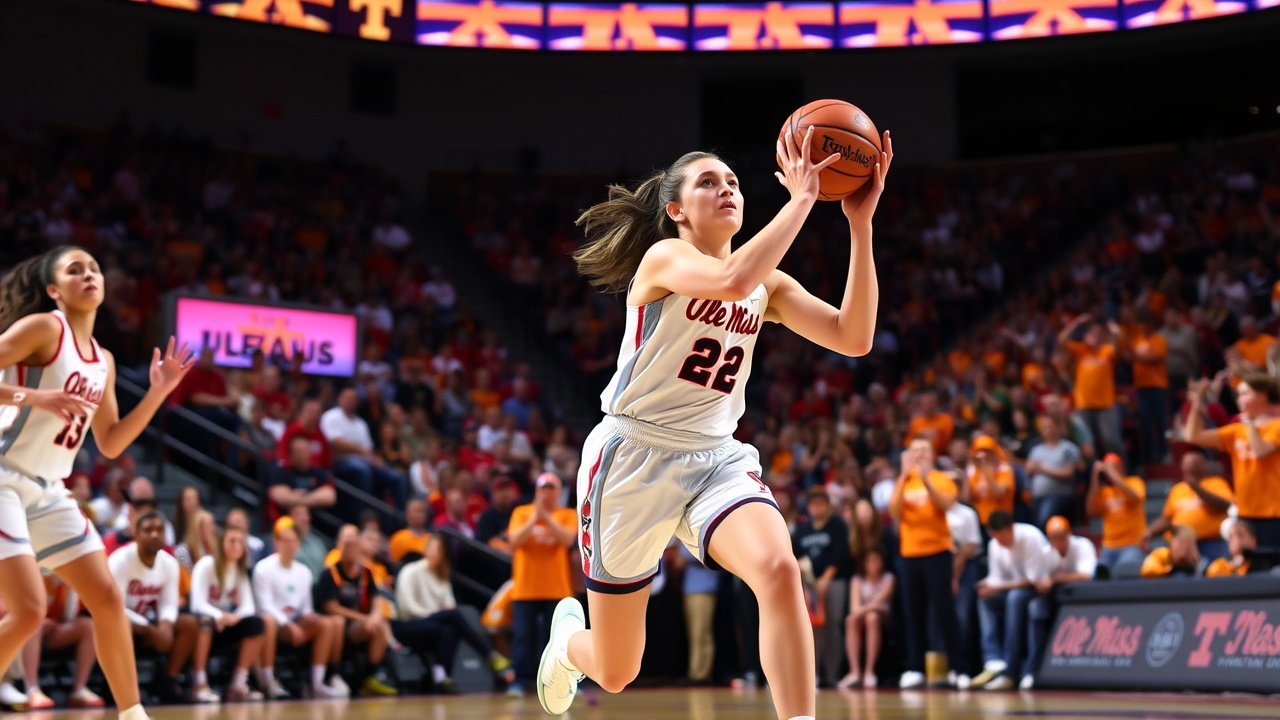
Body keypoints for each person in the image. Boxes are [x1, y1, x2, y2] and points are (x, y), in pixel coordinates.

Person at [533, 130, 890, 719]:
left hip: (715, 457)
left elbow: (854, 337)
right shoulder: (665, 259)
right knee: (618, 671)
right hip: (632, 458)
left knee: (779, 570)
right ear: (676, 210)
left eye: (733, 182)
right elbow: (731, 282)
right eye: (708, 182)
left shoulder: (767, 284)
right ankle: (569, 644)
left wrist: (860, 223)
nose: (726, 189)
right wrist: (804, 198)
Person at [0, 246, 195, 720]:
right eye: (74, 270)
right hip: (3, 477)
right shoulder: (44, 328)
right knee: (29, 609)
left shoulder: (103, 360)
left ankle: (133, 715)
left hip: (49, 488)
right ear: (53, 290)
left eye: (94, 268)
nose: (88, 275)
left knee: (107, 598)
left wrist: (157, 393)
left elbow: (110, 443)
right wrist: (35, 397)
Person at [890, 437, 969, 689]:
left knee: (945, 612)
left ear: (933, 455)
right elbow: (894, 512)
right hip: (910, 554)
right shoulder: (904, 481)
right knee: (913, 613)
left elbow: (947, 504)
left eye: (924, 450)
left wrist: (925, 478)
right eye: (914, 450)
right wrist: (903, 477)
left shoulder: (941, 478)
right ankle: (916, 667)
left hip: (938, 553)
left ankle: (959, 668)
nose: (919, 454)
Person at [394, 532, 515, 691]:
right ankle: (490, 655)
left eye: (440, 550)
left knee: (449, 629)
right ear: (426, 549)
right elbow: (406, 606)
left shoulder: (441, 576)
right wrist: (432, 614)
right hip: (407, 623)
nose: (436, 553)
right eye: (434, 548)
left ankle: (441, 676)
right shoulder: (411, 570)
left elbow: (450, 604)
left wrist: (438, 614)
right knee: (453, 617)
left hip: (434, 622)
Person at [252, 517, 350, 699]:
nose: (289, 545)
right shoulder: (263, 568)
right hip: (272, 625)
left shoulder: (303, 571)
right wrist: (288, 624)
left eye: (293, 540)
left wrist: (309, 616)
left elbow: (306, 608)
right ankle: (268, 681)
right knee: (269, 621)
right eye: (285, 540)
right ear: (276, 542)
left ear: (298, 542)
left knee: (328, 624)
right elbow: (265, 606)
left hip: (295, 623)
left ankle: (318, 683)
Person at [1181, 374, 1280, 549]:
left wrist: (1250, 421)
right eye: (1239, 394)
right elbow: (1192, 436)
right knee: (1248, 562)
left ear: (1263, 396)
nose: (1239, 399)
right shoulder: (1236, 430)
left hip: (1274, 512)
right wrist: (1197, 402)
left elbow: (1260, 451)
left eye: (1245, 394)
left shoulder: (1276, 426)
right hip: (1245, 513)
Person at [109, 511, 198, 704]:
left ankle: (168, 682)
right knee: (121, 624)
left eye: (159, 529)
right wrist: (149, 628)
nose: (155, 534)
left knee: (189, 624)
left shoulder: (169, 562)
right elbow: (114, 607)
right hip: (119, 621)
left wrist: (165, 625)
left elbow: (169, 603)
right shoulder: (119, 560)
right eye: (148, 530)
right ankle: (120, 688)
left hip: (148, 621)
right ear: (136, 534)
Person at [509, 472, 576, 696]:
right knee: (523, 637)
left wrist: (545, 517)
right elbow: (515, 540)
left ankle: (558, 682)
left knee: (557, 639)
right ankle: (520, 680)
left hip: (557, 588)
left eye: (551, 488)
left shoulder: (567, 514)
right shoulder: (521, 512)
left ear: (558, 492)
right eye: (543, 488)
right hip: (525, 588)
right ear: (537, 491)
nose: (546, 493)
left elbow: (567, 540)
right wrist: (534, 517)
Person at [970, 511, 1052, 691]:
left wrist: (999, 586)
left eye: (1002, 535)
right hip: (1011, 590)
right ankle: (993, 659)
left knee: (1014, 598)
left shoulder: (1030, 537)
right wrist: (988, 585)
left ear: (1011, 528)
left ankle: (1010, 671)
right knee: (985, 598)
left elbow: (1032, 580)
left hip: (1038, 590)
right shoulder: (994, 544)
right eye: (995, 536)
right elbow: (997, 578)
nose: (999, 540)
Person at [315, 524, 398, 696]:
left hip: (358, 624)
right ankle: (333, 674)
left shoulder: (366, 572)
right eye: (348, 547)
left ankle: (370, 676)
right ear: (340, 549)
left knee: (379, 624)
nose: (352, 551)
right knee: (339, 622)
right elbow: (331, 607)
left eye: (354, 547)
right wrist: (363, 618)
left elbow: (376, 598)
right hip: (338, 624)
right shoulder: (331, 573)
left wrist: (375, 616)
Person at [189, 526, 266, 703]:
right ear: (221, 543)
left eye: (240, 542)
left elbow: (248, 606)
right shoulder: (206, 564)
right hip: (203, 624)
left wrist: (235, 617)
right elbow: (197, 603)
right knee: (205, 622)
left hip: (225, 624)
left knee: (256, 624)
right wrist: (219, 615)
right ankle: (199, 684)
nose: (236, 545)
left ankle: (238, 684)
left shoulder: (239, 570)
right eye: (232, 541)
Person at [791, 485, 851, 688]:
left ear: (828, 505)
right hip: (809, 584)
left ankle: (832, 674)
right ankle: (812, 674)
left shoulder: (838, 525)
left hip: (834, 581)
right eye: (813, 503)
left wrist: (826, 578)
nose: (816, 507)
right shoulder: (802, 529)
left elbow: (841, 554)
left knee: (833, 624)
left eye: (820, 503)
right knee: (811, 628)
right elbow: (795, 554)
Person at [19, 573, 100, 708]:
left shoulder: (69, 575)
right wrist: (41, 621)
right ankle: (32, 689)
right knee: (34, 624)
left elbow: (69, 616)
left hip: (55, 630)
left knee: (89, 626)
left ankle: (79, 689)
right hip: (27, 630)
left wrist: (70, 587)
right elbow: (21, 611)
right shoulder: (32, 572)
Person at [1142, 449, 1233, 562]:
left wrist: (1196, 488)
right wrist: (1150, 532)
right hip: (1182, 544)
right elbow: (1167, 518)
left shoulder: (1216, 483)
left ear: (1204, 465)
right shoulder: (1178, 489)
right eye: (1186, 463)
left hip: (1211, 542)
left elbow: (1225, 505)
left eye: (1194, 462)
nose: (1189, 465)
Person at [837, 548, 894, 690]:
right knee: (851, 620)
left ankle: (869, 671)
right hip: (862, 617)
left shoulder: (888, 578)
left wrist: (865, 609)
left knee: (872, 618)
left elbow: (881, 602)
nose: (874, 564)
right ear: (864, 563)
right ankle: (854, 671)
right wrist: (869, 608)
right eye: (870, 560)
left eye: (877, 560)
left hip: (882, 619)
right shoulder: (857, 580)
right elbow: (855, 608)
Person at [1085, 454, 1147, 570]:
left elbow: (1135, 497)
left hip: (1132, 545)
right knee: (1099, 571)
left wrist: (1113, 474)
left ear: (1121, 467)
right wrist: (1095, 478)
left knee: (1123, 569)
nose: (1109, 472)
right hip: (1109, 546)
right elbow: (1090, 510)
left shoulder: (1134, 482)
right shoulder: (1104, 492)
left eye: (1114, 467)